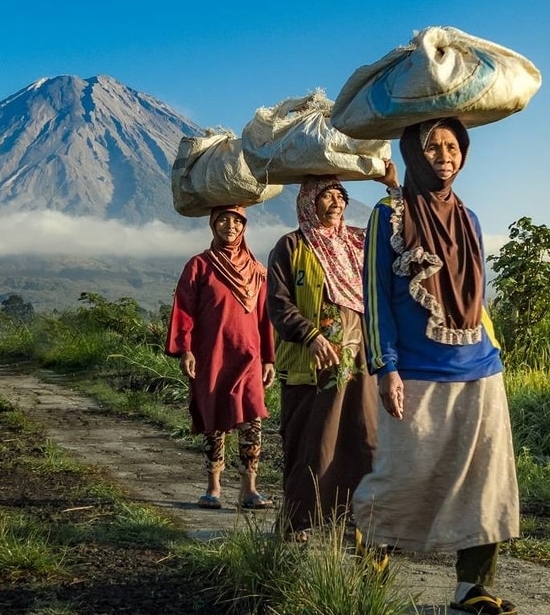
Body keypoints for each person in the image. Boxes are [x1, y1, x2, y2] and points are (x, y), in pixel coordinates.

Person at [353, 117, 520, 615]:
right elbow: (376, 297)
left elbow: (476, 297)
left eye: (453, 146)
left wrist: (493, 354)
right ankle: (369, 579)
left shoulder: (469, 218)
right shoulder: (390, 215)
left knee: (484, 482)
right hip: (418, 371)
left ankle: (473, 586)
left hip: (479, 368)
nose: (444, 155)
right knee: (401, 477)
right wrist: (386, 367)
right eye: (432, 147)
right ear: (412, 154)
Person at [265, 168, 394, 540]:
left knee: (362, 437)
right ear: (308, 201)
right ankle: (297, 523)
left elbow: (401, 235)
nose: (336, 202)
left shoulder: (358, 242)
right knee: (310, 442)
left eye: (340, 196)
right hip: (311, 366)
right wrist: (310, 335)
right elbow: (278, 303)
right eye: (326, 195)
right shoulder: (291, 246)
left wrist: (393, 187)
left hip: (358, 363)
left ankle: (359, 519)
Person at [166, 205, 276, 510]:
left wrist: (269, 357)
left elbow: (265, 316)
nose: (231, 226)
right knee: (214, 418)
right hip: (211, 353)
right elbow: (184, 309)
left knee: (251, 418)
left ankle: (249, 490)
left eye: (237, 221)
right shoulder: (199, 265)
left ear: (244, 226)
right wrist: (185, 349)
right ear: (213, 225)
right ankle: (212, 488)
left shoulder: (256, 270)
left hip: (249, 354)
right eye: (224, 220)